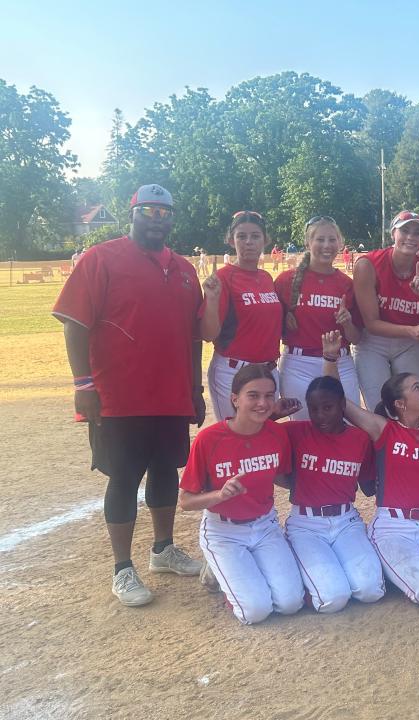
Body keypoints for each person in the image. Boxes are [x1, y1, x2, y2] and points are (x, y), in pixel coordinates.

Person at [52, 183, 205, 607]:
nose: (157, 219)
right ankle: (123, 568)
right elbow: (74, 324)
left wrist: (194, 388)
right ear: (132, 213)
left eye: (164, 212)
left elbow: (194, 338)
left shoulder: (185, 270)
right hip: (118, 396)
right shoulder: (101, 258)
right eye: (149, 211)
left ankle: (163, 550)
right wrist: (83, 385)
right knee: (123, 478)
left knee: (165, 471)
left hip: (171, 394)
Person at [321, 331, 419, 604]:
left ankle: (408, 569)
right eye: (417, 387)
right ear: (399, 403)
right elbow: (338, 401)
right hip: (392, 528)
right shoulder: (385, 430)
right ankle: (394, 564)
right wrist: (330, 357)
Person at [178, 364, 304, 625]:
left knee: (291, 603)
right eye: (253, 395)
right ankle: (221, 573)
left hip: (265, 526)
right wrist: (219, 495)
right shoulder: (209, 439)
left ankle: (238, 571)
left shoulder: (276, 434)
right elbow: (186, 501)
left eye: (270, 395)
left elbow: (280, 476)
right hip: (224, 532)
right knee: (255, 611)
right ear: (235, 399)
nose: (263, 402)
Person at [282, 375, 385, 612]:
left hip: (346, 522)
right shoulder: (295, 432)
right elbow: (254, 431)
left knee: (370, 590)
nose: (320, 416)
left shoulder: (359, 438)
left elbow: (369, 487)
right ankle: (301, 575)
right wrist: (276, 412)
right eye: (314, 409)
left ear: (342, 404)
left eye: (327, 407)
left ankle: (322, 570)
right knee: (333, 599)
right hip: (306, 525)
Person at [201, 211, 282, 422]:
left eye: (255, 236)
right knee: (235, 440)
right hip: (234, 372)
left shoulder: (265, 277)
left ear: (265, 240)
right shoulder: (223, 277)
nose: (249, 242)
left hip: (268, 372)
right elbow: (209, 334)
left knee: (263, 438)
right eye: (241, 236)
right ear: (231, 240)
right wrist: (211, 300)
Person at [276, 215, 361, 414]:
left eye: (332, 239)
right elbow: (271, 327)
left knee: (347, 427)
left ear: (340, 243)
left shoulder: (347, 284)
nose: (326, 245)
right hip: (298, 364)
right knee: (303, 431)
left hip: (340, 363)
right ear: (307, 242)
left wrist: (348, 323)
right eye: (320, 239)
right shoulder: (286, 280)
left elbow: (357, 338)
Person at [352, 211, 419, 411]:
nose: (410, 237)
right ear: (392, 233)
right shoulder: (368, 264)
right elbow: (371, 323)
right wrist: (410, 330)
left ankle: (412, 443)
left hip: (409, 343)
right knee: (380, 408)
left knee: (412, 407)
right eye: (404, 230)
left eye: (417, 233)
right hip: (373, 342)